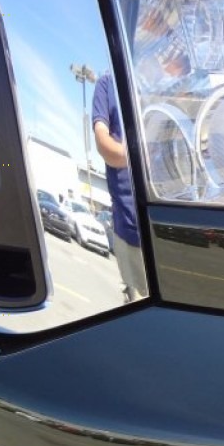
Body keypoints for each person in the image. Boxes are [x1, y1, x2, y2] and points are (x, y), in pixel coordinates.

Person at [92, 71, 146, 302]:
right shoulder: (108, 83)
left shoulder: (164, 81)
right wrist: (146, 156)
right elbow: (104, 145)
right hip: (130, 228)